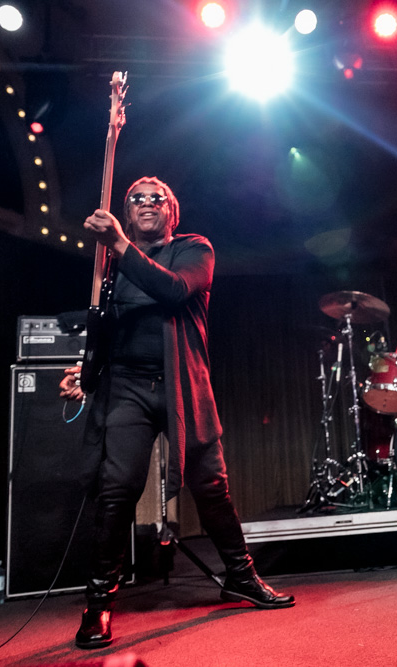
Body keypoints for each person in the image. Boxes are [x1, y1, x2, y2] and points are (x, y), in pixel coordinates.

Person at [60, 177, 294, 650]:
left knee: (211, 485)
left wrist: (119, 245)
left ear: (173, 211)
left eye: (156, 198)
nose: (146, 203)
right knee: (117, 489)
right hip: (126, 386)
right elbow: (104, 330)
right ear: (126, 213)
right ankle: (99, 602)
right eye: (136, 199)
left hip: (183, 383)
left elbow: (170, 291)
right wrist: (82, 372)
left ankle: (241, 577)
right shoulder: (110, 265)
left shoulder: (194, 249)